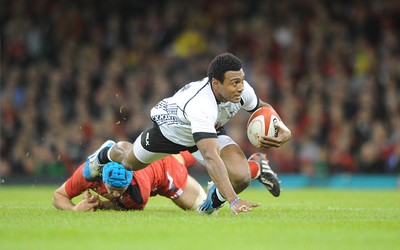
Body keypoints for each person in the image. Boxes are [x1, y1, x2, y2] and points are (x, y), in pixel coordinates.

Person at [83, 53, 291, 215]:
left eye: (242, 80)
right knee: (129, 163)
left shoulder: (242, 90)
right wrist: (234, 201)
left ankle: (215, 198)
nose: (240, 87)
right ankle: (106, 153)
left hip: (209, 130)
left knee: (241, 177)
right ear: (216, 84)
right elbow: (210, 157)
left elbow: (261, 107)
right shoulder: (202, 105)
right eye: (234, 83)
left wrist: (283, 128)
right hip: (170, 132)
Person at [53, 145, 207, 211]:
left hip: (167, 172)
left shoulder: (138, 192)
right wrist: (74, 209)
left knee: (205, 208)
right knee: (187, 152)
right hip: (153, 159)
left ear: (130, 181)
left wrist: (99, 204)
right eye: (112, 190)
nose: (115, 194)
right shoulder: (89, 175)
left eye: (120, 190)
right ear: (103, 180)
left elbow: (123, 207)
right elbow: (58, 195)